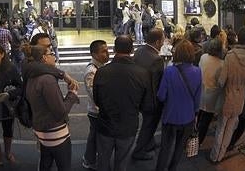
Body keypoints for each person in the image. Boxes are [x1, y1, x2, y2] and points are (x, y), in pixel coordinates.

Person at [93, 36, 151, 171]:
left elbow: (97, 99)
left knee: (103, 161)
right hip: (128, 126)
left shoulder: (101, 72)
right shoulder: (142, 73)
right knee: (122, 162)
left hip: (105, 124)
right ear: (132, 49)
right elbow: (145, 103)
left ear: (114, 49)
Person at [25, 45, 79, 171]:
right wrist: (72, 94)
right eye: (52, 54)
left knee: (46, 162)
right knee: (63, 165)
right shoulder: (47, 80)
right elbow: (60, 112)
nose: (54, 57)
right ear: (44, 58)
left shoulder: (31, 75)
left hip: (42, 130)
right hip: (55, 133)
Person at [209, 26, 245, 163]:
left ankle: (215, 156)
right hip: (241, 95)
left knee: (221, 127)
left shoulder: (230, 56)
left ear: (237, 38)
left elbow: (221, 81)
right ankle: (222, 154)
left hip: (228, 95)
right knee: (230, 128)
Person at [155, 39, 202, 171]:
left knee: (165, 147)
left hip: (170, 117)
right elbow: (197, 98)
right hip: (188, 117)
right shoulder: (198, 72)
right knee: (179, 148)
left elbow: (161, 95)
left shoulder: (169, 71)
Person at [132, 29, 165, 160]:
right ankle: (139, 150)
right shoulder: (157, 59)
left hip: (139, 95)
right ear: (157, 42)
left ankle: (149, 143)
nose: (164, 42)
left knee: (147, 123)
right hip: (151, 100)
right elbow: (158, 83)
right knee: (149, 125)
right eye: (163, 39)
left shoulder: (139, 51)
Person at [82, 40, 109, 169]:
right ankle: (89, 160)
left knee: (94, 136)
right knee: (95, 137)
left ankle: (90, 158)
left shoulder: (101, 67)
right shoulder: (91, 71)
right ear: (94, 54)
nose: (107, 54)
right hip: (96, 111)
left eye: (107, 50)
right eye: (103, 51)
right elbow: (94, 95)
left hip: (100, 110)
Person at [196, 38, 224, 144]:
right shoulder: (221, 64)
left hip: (200, 91)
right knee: (206, 120)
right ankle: (198, 141)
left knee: (198, 116)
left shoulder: (203, 57)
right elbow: (221, 82)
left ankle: (192, 138)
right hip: (212, 96)